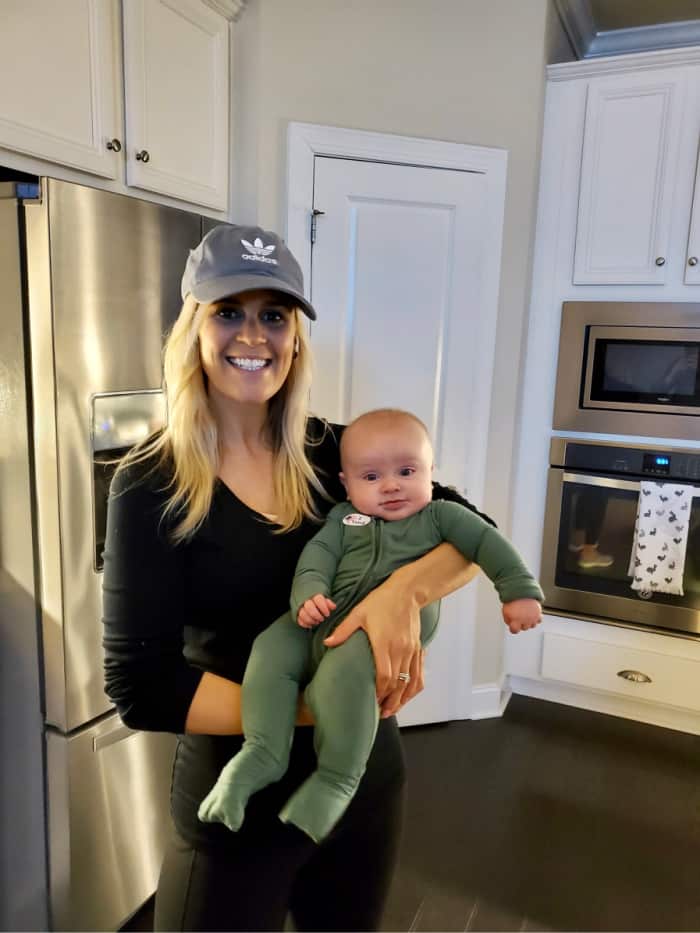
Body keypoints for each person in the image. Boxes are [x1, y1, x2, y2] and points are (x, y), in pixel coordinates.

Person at [100, 223, 526, 932]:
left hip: (362, 785)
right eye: (229, 310)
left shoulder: (337, 452)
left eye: (275, 315)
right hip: (239, 799)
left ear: (295, 337)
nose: (253, 334)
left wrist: (402, 594)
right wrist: (320, 707)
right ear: (193, 329)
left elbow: (471, 530)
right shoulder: (150, 481)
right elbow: (140, 685)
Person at [198, 408, 543, 843]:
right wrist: (307, 597)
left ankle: (337, 777)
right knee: (270, 648)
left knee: (340, 679)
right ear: (346, 483)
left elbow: (489, 543)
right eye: (372, 477)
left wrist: (519, 591)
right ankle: (262, 751)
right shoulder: (344, 519)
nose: (392, 485)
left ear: (430, 473)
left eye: (406, 470)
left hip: (375, 637)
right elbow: (316, 559)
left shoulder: (441, 517)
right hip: (324, 616)